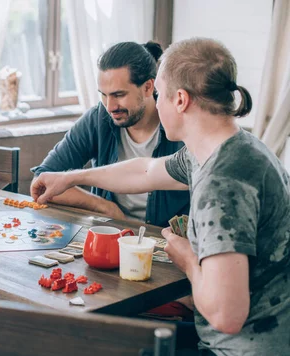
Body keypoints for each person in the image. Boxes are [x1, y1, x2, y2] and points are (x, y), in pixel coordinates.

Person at [33, 37, 290, 356]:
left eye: (160, 94)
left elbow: (227, 314)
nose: (157, 103)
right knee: (105, 339)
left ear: (180, 100)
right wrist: (71, 177)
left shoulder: (223, 180)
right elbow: (144, 171)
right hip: (243, 347)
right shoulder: (224, 147)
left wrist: (187, 260)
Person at [31, 41, 189, 227]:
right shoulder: (98, 119)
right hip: (110, 235)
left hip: (166, 243)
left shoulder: (181, 124)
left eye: (119, 95)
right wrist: (106, 208)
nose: (110, 106)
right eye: (103, 95)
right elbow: (42, 181)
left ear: (148, 87)